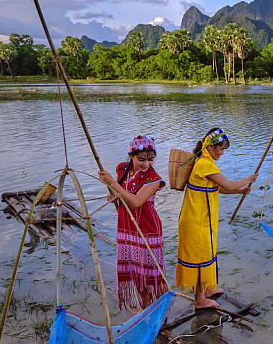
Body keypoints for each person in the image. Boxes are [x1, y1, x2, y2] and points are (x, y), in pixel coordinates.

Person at [176, 128, 257, 310]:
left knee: (205, 253)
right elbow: (227, 184)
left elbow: (217, 188)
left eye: (224, 149)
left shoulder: (205, 162)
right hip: (195, 221)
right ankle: (200, 300)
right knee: (198, 258)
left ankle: (207, 289)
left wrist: (239, 190)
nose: (221, 153)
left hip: (200, 220)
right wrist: (247, 179)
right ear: (211, 147)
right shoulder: (205, 164)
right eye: (220, 149)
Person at [98, 135, 167, 312]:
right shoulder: (122, 170)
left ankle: (160, 307)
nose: (146, 164)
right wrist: (112, 195)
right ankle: (145, 306)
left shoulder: (153, 179)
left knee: (152, 274)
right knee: (135, 270)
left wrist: (113, 184)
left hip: (147, 228)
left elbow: (136, 202)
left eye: (151, 160)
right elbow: (121, 194)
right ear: (131, 156)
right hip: (126, 226)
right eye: (141, 159)